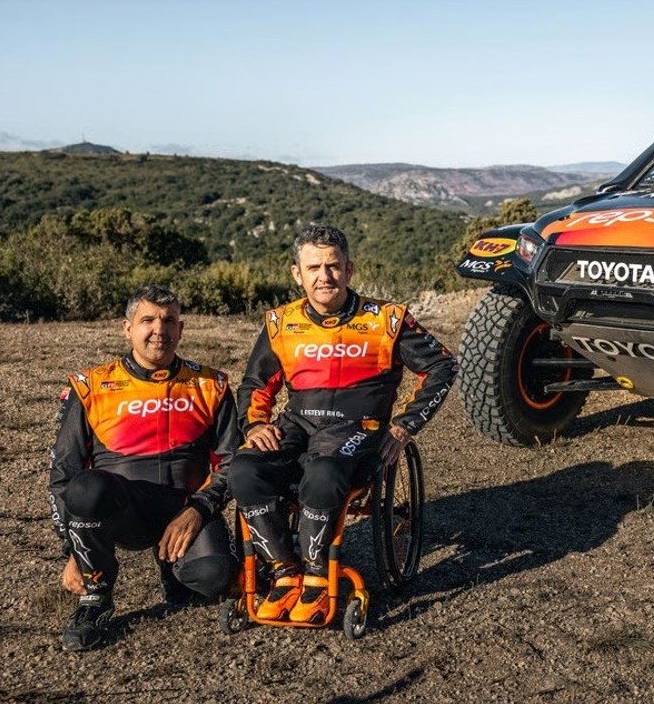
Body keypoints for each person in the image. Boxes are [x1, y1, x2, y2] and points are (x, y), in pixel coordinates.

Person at [231, 224, 457, 624]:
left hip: (358, 427)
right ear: (297, 274)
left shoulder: (387, 319)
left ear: (348, 269)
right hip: (298, 424)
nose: (324, 276)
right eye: (313, 267)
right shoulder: (280, 323)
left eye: (333, 266)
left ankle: (317, 575)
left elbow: (442, 365)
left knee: (324, 472)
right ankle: (285, 571)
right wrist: (254, 425)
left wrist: (404, 426)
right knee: (245, 470)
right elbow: (255, 384)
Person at [49, 285, 239, 652]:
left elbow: (233, 460)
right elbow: (63, 475)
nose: (159, 330)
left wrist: (199, 510)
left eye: (169, 321)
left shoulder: (211, 384)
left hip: (186, 509)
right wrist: (72, 549)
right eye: (147, 320)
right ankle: (96, 599)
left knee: (214, 576)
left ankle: (173, 569)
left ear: (180, 329)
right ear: (127, 328)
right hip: (123, 513)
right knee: (85, 488)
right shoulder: (90, 386)